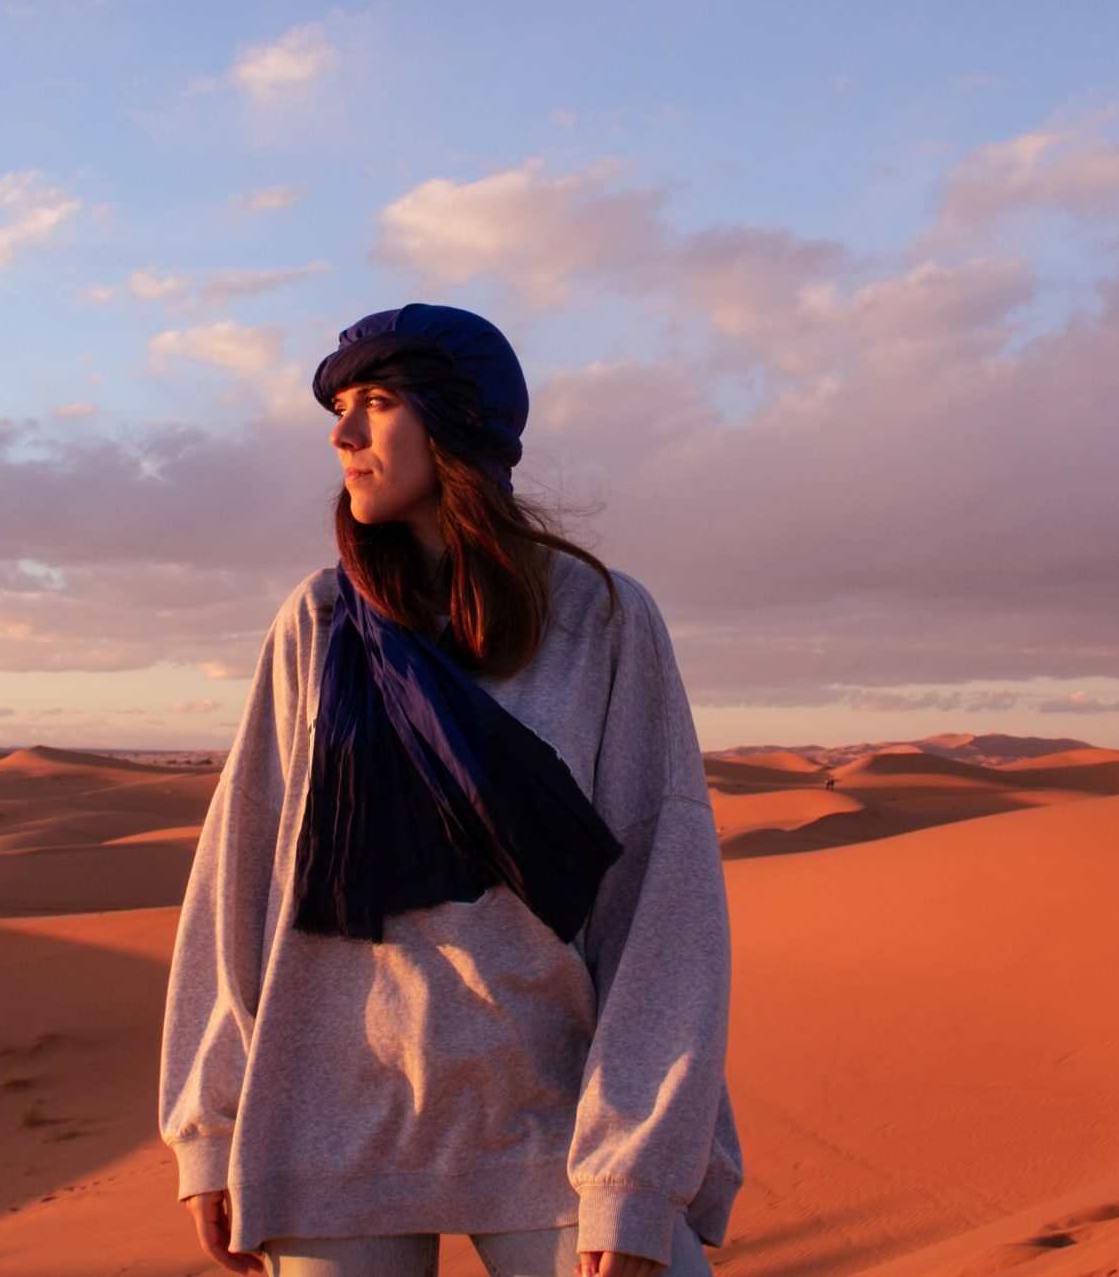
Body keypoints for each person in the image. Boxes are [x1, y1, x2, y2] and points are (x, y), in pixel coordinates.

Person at [158, 304, 741, 1277]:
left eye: (377, 402)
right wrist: (210, 1126)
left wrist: (635, 1172)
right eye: (338, 408)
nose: (342, 434)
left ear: (461, 423)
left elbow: (663, 901)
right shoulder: (319, 621)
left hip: (552, 1112)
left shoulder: (599, 620)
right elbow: (242, 868)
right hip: (332, 1116)